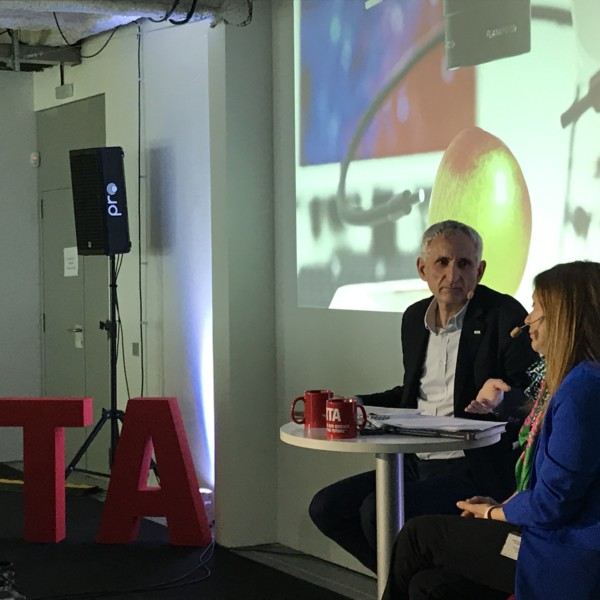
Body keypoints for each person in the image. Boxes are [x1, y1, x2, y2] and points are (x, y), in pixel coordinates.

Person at [309, 220, 538, 573]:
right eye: (442, 262)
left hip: (471, 465)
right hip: (414, 458)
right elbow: (412, 395)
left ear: (479, 271)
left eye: (464, 264)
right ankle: (403, 583)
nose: (452, 274)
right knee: (326, 507)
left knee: (376, 512)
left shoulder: (504, 314)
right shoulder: (414, 317)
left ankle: (405, 585)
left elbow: (536, 397)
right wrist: (355, 403)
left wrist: (500, 401)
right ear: (422, 269)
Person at [382, 260, 600, 600]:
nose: (527, 320)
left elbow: (554, 503)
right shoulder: (573, 381)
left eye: (536, 308)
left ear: (563, 317)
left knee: (417, 535)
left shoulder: (582, 388)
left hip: (560, 552)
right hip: (546, 536)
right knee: (428, 586)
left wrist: (493, 513)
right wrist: (502, 506)